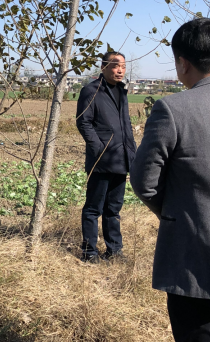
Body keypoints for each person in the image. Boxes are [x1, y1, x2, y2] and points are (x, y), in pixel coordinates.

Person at [130, 18, 210, 341]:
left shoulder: (173, 109)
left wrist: (181, 211)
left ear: (183, 63)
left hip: (199, 267)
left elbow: (144, 182)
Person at [76, 51, 136, 263]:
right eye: (115, 65)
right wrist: (99, 148)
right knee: (94, 208)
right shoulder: (91, 90)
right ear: (104, 67)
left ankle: (114, 251)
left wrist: (132, 152)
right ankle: (89, 252)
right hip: (101, 160)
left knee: (113, 209)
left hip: (121, 160)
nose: (120, 70)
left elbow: (125, 126)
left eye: (123, 66)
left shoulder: (122, 91)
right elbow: (83, 122)